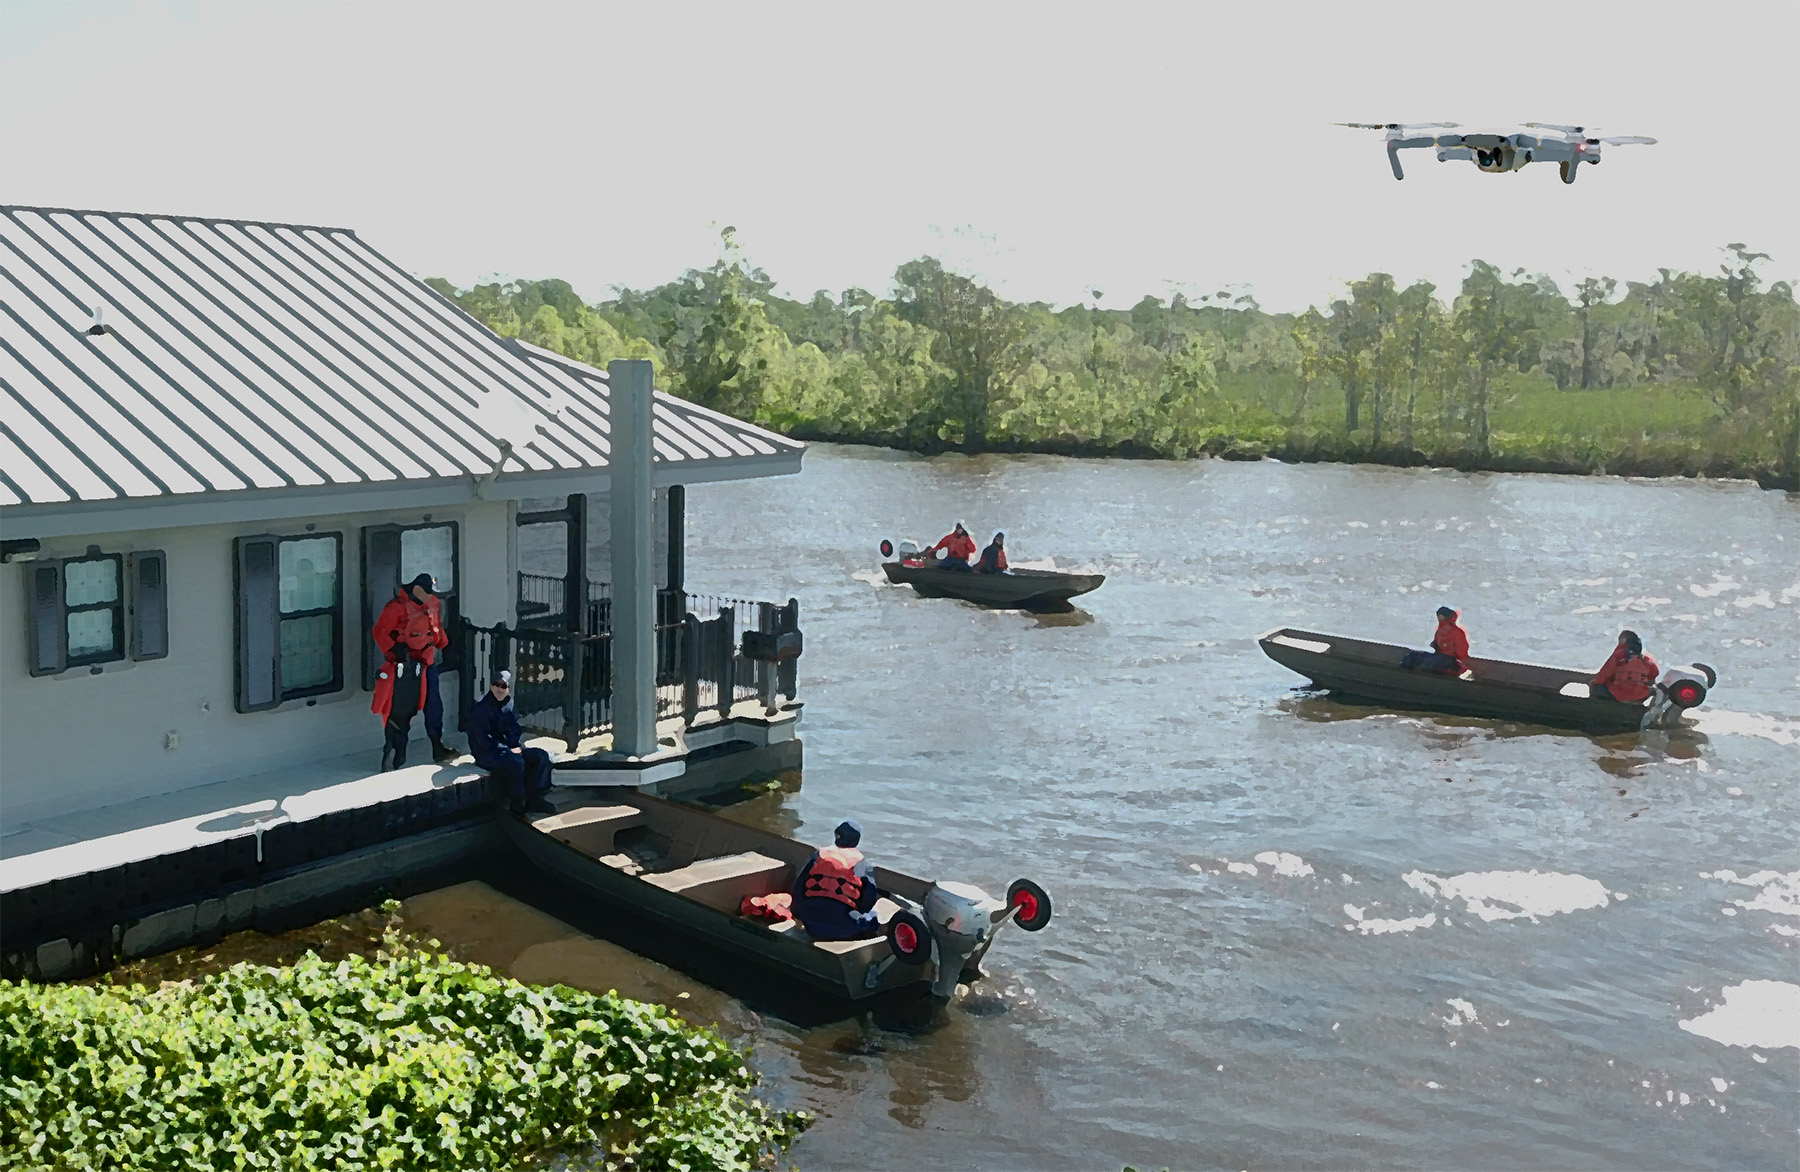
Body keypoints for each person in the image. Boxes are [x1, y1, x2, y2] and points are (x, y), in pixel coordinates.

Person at [373, 573, 455, 767]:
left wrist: (445, 645)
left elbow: (437, 627)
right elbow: (379, 631)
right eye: (426, 591)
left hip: (427, 663)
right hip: (404, 667)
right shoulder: (395, 608)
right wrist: (394, 650)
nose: (429, 595)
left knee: (434, 705)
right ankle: (397, 750)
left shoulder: (433, 603)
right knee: (402, 708)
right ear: (416, 588)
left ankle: (437, 746)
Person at [466, 670, 555, 816]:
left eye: (504, 686)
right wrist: (506, 750)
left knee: (540, 756)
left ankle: (534, 798)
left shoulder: (509, 703)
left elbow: (514, 728)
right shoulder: (480, 708)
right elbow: (482, 739)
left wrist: (515, 745)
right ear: (491, 686)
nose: (500, 689)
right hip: (488, 753)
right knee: (516, 762)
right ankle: (516, 802)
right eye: (497, 685)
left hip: (508, 749)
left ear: (509, 688)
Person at [791, 819, 882, 941]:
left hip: (810, 924)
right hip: (844, 927)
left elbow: (799, 887)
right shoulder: (862, 863)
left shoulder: (819, 855)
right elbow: (869, 899)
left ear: (837, 836)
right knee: (875, 917)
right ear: (856, 840)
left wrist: (797, 913)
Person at [1592, 629, 1660, 703]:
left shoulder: (1618, 654)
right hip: (1639, 694)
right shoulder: (1646, 659)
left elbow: (1602, 676)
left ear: (1623, 641)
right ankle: (1637, 702)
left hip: (1619, 695)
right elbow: (1654, 674)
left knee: (1595, 686)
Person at [1399, 606, 1471, 675]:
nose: (1438, 618)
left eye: (1440, 615)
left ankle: (1424, 679)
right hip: (1438, 656)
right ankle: (1403, 673)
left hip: (1451, 660)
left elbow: (1462, 649)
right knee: (1413, 655)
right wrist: (1435, 645)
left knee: (1430, 662)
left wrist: (1458, 661)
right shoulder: (1440, 630)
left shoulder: (1456, 632)